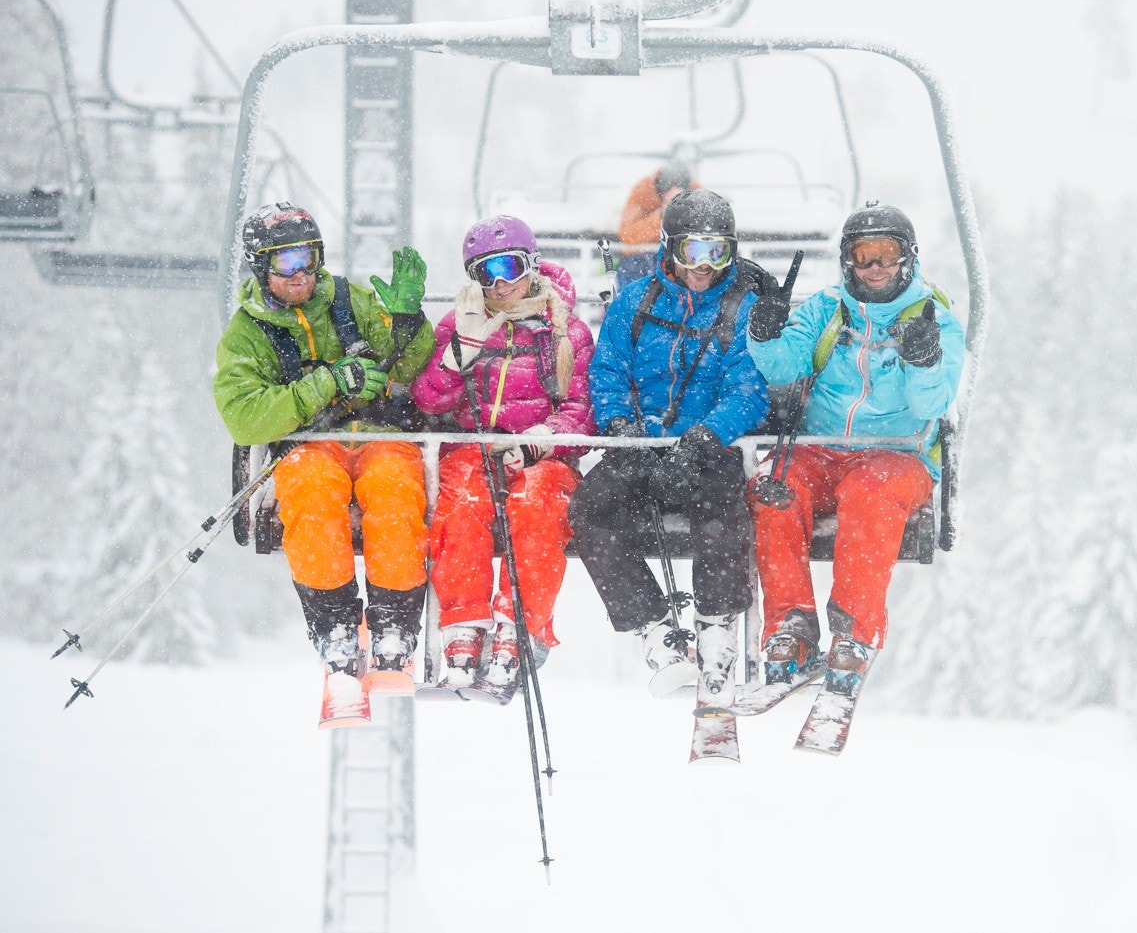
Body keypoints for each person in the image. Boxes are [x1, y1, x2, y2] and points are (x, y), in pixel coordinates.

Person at [213, 202, 435, 727]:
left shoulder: (350, 301)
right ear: (261, 268)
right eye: (285, 262)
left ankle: (393, 625)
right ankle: (336, 626)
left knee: (395, 493)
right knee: (311, 498)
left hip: (381, 435)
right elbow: (245, 416)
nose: (300, 275)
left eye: (308, 259)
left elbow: (412, 368)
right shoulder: (250, 333)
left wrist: (407, 321)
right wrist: (328, 382)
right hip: (312, 444)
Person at [744, 201, 964, 702]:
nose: (875, 268)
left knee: (870, 491)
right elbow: (784, 366)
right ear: (848, 260)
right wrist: (765, 335)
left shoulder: (932, 318)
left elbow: (932, 404)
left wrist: (924, 361)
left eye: (887, 254)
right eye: (864, 255)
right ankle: (791, 627)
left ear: (907, 258)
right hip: (821, 451)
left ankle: (854, 634)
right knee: (774, 486)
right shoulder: (828, 309)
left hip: (897, 455)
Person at [570, 188, 770, 699]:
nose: (703, 266)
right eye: (691, 252)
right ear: (669, 249)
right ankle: (653, 626)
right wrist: (621, 430)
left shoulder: (740, 311)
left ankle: (716, 623)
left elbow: (749, 389)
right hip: (643, 447)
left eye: (716, 252)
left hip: (706, 450)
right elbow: (607, 372)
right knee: (591, 509)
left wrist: (704, 439)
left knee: (721, 511)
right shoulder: (637, 304)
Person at [410, 215, 596, 702]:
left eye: (509, 267)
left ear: (532, 266)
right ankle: (463, 625)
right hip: (473, 445)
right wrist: (459, 354)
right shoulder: (461, 323)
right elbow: (429, 402)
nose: (499, 284)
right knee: (463, 499)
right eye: (484, 273)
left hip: (543, 455)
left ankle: (520, 624)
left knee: (537, 503)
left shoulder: (566, 331)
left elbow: (583, 410)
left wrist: (541, 440)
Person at [614, 160, 695, 288]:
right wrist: (662, 215)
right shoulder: (642, 192)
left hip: (683, 253)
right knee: (635, 267)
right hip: (642, 257)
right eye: (668, 188)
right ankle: (637, 305)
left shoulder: (697, 192)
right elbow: (628, 236)